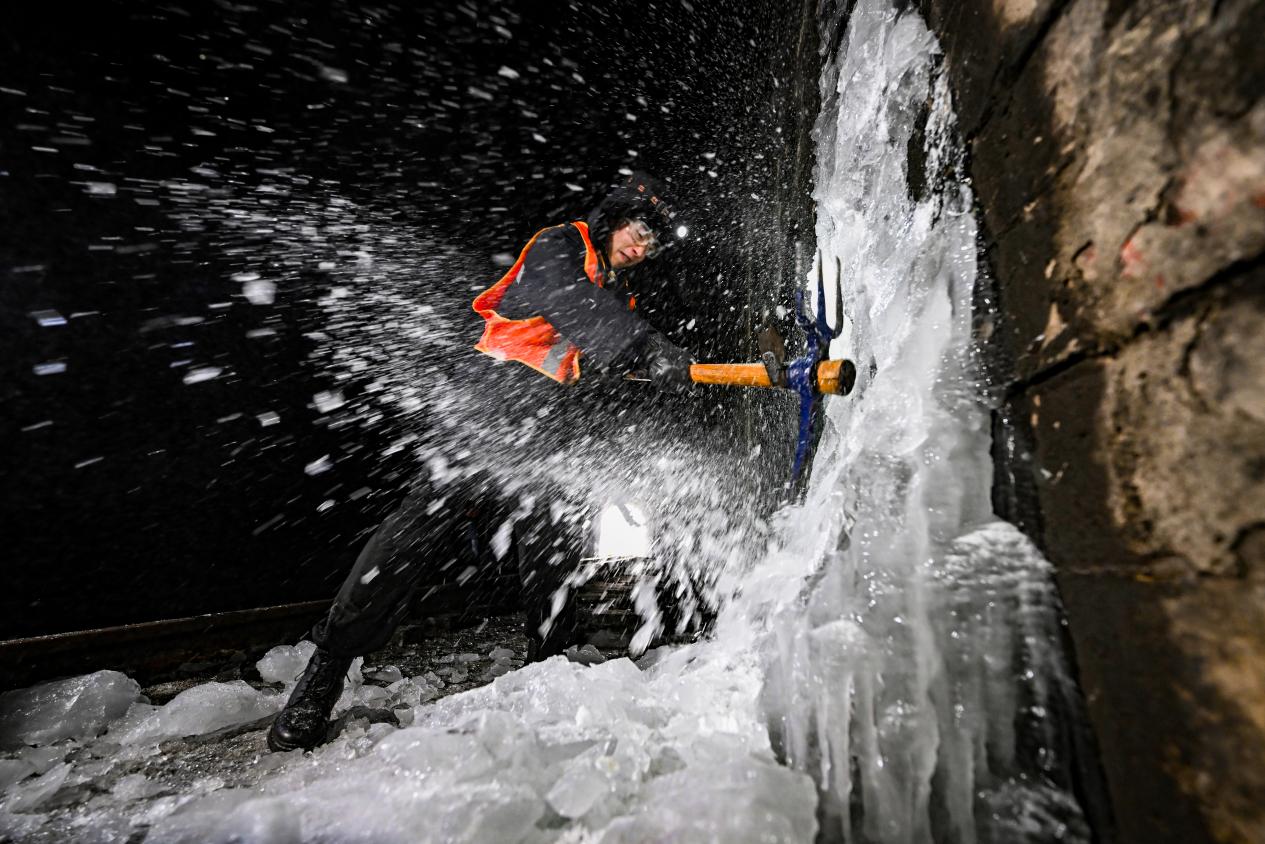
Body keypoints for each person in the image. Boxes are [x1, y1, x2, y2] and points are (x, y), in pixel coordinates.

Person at [267, 172, 697, 752]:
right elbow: (572, 306)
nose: (642, 248)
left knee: (555, 538)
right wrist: (644, 347)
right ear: (614, 217)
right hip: (487, 409)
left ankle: (551, 663)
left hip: (549, 427)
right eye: (639, 232)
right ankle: (324, 672)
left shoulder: (616, 293)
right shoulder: (559, 245)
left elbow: (596, 361)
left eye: (653, 244)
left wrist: (652, 371)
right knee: (413, 535)